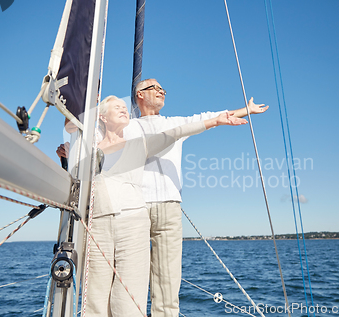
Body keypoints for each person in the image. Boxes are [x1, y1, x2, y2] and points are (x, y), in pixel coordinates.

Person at [84, 95, 248, 316]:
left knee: (128, 300)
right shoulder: (88, 145)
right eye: (117, 107)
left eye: (125, 107)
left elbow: (177, 131)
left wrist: (217, 121)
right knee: (94, 297)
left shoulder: (139, 143)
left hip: (133, 223)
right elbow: (77, 167)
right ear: (102, 116)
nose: (124, 109)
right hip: (98, 222)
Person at [124, 78, 268, 317]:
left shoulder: (176, 123)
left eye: (163, 89)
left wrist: (247, 110)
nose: (161, 92)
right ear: (139, 94)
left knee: (167, 278)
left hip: (169, 208)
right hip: (135, 206)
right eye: (154, 88)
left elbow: (213, 117)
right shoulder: (127, 127)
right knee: (131, 274)